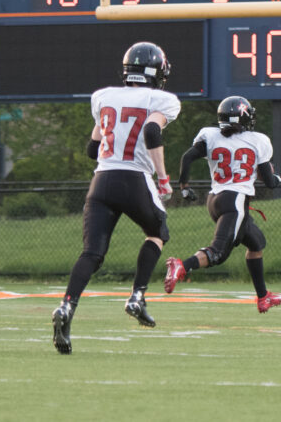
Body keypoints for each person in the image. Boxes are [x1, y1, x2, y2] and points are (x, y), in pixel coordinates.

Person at [52, 42, 180, 355]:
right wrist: (163, 178)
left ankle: (67, 306)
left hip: (102, 180)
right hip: (134, 178)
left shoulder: (103, 96)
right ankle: (137, 295)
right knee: (158, 233)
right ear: (157, 72)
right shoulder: (162, 99)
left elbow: (92, 149)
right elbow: (151, 131)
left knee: (92, 253)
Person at [164, 96, 281, 313]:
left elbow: (187, 157)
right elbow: (269, 182)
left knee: (256, 242)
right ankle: (182, 265)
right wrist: (277, 178)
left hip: (215, 199)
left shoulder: (209, 135)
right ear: (245, 116)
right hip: (235, 200)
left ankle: (263, 296)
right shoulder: (257, 140)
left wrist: (184, 186)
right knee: (218, 253)